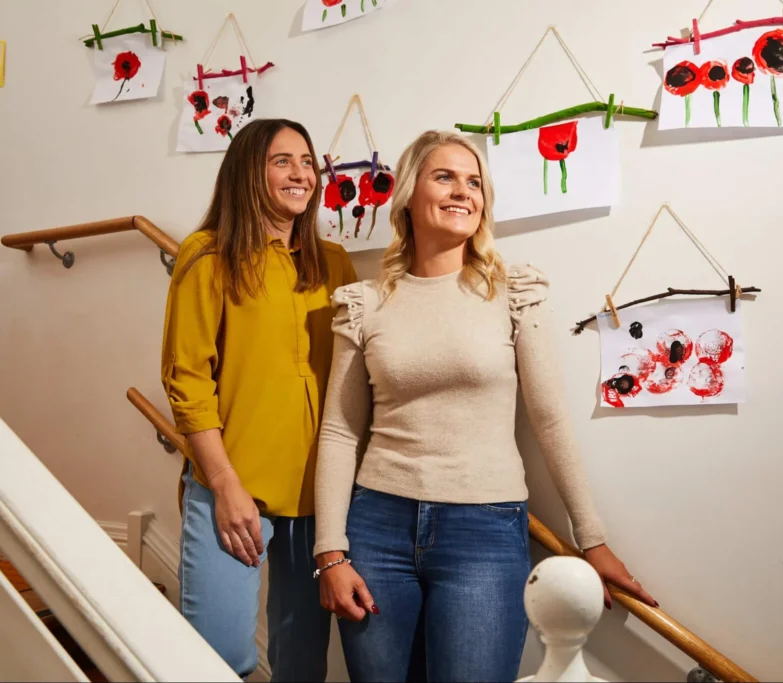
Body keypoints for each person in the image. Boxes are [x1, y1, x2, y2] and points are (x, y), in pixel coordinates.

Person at [313, 130, 658, 682]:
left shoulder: (513, 292)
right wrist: (330, 552)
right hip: (377, 528)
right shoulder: (366, 303)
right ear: (409, 194)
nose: (463, 191)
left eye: (474, 182)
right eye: (444, 177)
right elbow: (339, 430)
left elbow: (549, 419)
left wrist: (591, 538)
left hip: (484, 530)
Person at [160, 118, 358, 681]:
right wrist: (224, 483)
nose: (301, 174)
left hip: (318, 498)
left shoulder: (334, 262)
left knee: (302, 664)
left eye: (307, 161)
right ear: (250, 171)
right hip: (231, 487)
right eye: (282, 161)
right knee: (219, 658)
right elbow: (187, 379)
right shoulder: (208, 255)